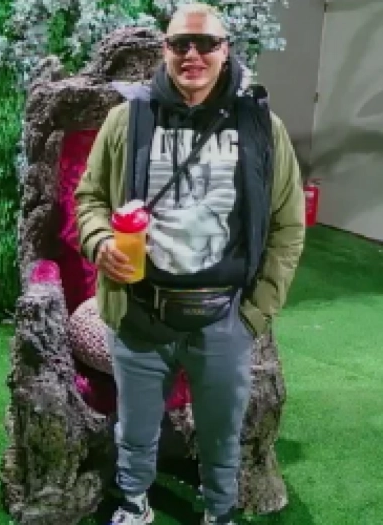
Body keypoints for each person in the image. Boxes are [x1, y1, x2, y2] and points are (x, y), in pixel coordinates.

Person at [74, 3, 305, 524]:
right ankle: (134, 503)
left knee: (222, 432)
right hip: (140, 310)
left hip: (224, 315)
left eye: (206, 44)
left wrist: (256, 313)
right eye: (181, 43)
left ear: (226, 51)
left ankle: (219, 511)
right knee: (135, 429)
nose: (192, 54)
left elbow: (288, 225)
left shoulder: (262, 127)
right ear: (165, 50)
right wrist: (99, 240)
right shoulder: (127, 119)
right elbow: (89, 198)